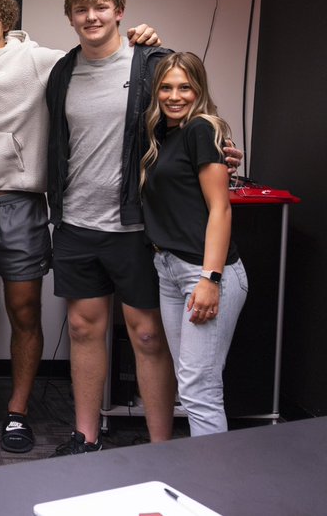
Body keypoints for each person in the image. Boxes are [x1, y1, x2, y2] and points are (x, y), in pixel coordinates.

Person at [0, 0, 160, 453]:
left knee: (25, 310)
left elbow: (100, 54)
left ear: (6, 20)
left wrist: (144, 42)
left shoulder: (42, 60)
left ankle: (19, 410)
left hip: (21, 205)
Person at [46, 0, 177, 455]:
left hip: (135, 226)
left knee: (145, 334)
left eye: (101, 8)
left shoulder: (153, 63)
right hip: (77, 222)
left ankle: (162, 445)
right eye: (81, 10)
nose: (91, 16)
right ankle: (86, 436)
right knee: (82, 328)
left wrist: (221, 148)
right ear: (72, 19)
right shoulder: (63, 71)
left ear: (119, 12)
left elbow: (191, 111)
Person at [141, 52, 247, 437]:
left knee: (198, 390)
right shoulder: (162, 134)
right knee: (190, 384)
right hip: (169, 269)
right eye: (166, 87)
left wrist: (210, 279)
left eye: (185, 87)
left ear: (199, 90)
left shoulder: (203, 129)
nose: (174, 96)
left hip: (203, 273)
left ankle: (210, 487)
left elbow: (221, 210)